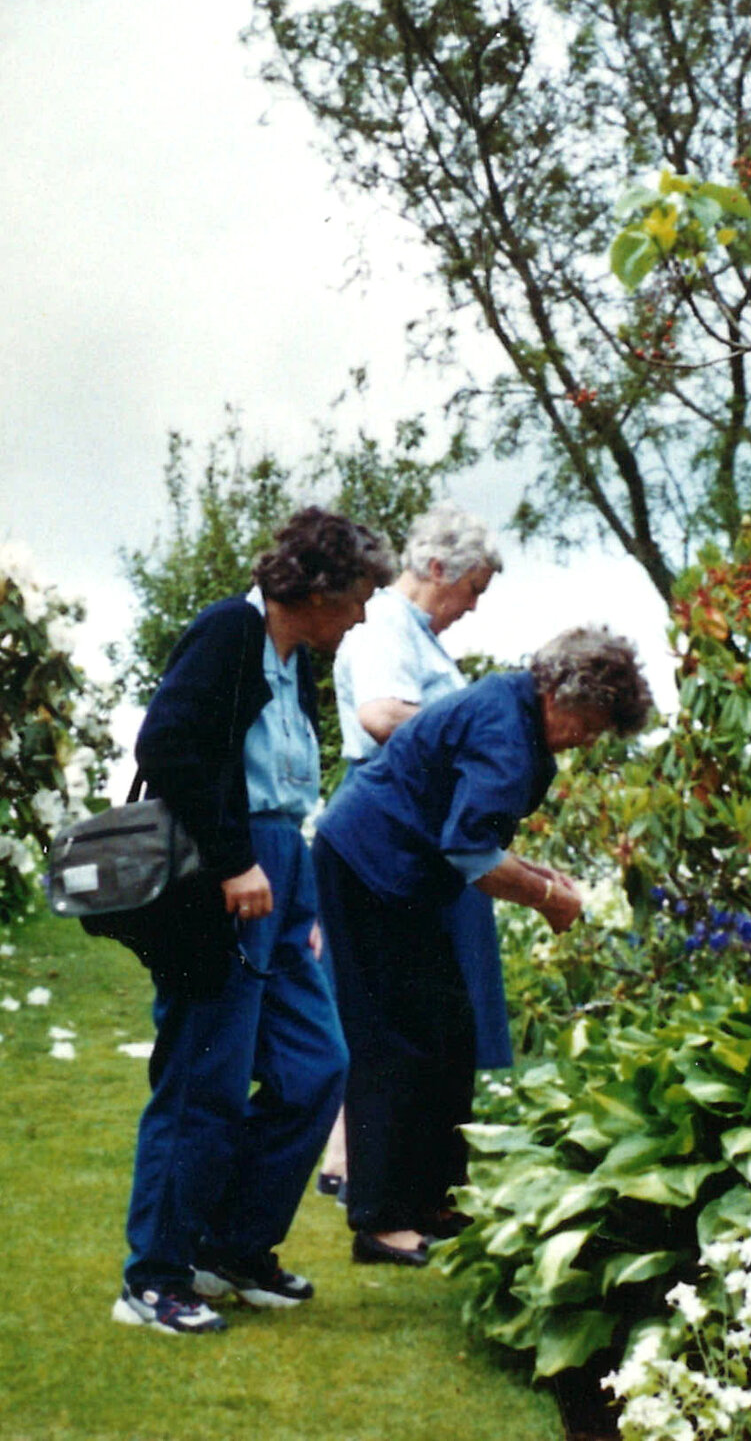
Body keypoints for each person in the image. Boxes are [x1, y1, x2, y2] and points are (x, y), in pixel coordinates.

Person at [112, 507, 395, 1334]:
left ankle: (233, 1248)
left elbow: (286, 782)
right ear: (316, 589)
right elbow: (166, 747)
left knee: (316, 1068)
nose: (365, 613)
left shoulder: (293, 657)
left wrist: (297, 895)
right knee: (204, 1082)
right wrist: (238, 862)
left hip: (281, 876)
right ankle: (154, 1277)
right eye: (357, 597)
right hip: (219, 883)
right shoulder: (229, 632)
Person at [313, 625, 653, 1266]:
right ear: (560, 691)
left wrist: (536, 873)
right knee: (393, 1040)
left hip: (403, 872)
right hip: (368, 866)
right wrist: (550, 899)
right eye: (591, 721)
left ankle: (436, 1201)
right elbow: (469, 852)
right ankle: (381, 1221)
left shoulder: (514, 709)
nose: (588, 738)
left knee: (449, 1033)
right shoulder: (506, 729)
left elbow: (474, 829)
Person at [316, 504, 506, 1200]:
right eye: (473, 589)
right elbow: (381, 714)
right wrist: (483, 740)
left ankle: (406, 1182)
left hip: (420, 835)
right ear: (435, 569)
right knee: (392, 1016)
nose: (473, 607)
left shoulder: (418, 635)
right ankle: (369, 1179)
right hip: (388, 833)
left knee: (432, 1016)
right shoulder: (384, 628)